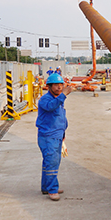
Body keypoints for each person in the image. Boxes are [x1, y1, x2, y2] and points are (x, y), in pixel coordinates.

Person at [36, 73, 72, 201]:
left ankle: (46, 187)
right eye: (56, 85)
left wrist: (63, 135)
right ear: (49, 87)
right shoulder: (46, 100)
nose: (59, 87)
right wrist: (63, 95)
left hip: (56, 136)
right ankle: (52, 190)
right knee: (52, 162)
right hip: (47, 137)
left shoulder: (59, 101)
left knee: (49, 163)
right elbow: (50, 107)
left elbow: (61, 119)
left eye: (61, 85)